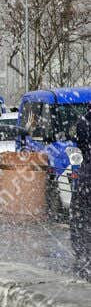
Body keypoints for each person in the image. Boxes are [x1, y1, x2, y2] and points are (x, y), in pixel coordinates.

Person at [70, 113, 91, 279]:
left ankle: (84, 257)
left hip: (87, 175)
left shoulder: (84, 120)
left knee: (81, 216)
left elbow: (82, 144)